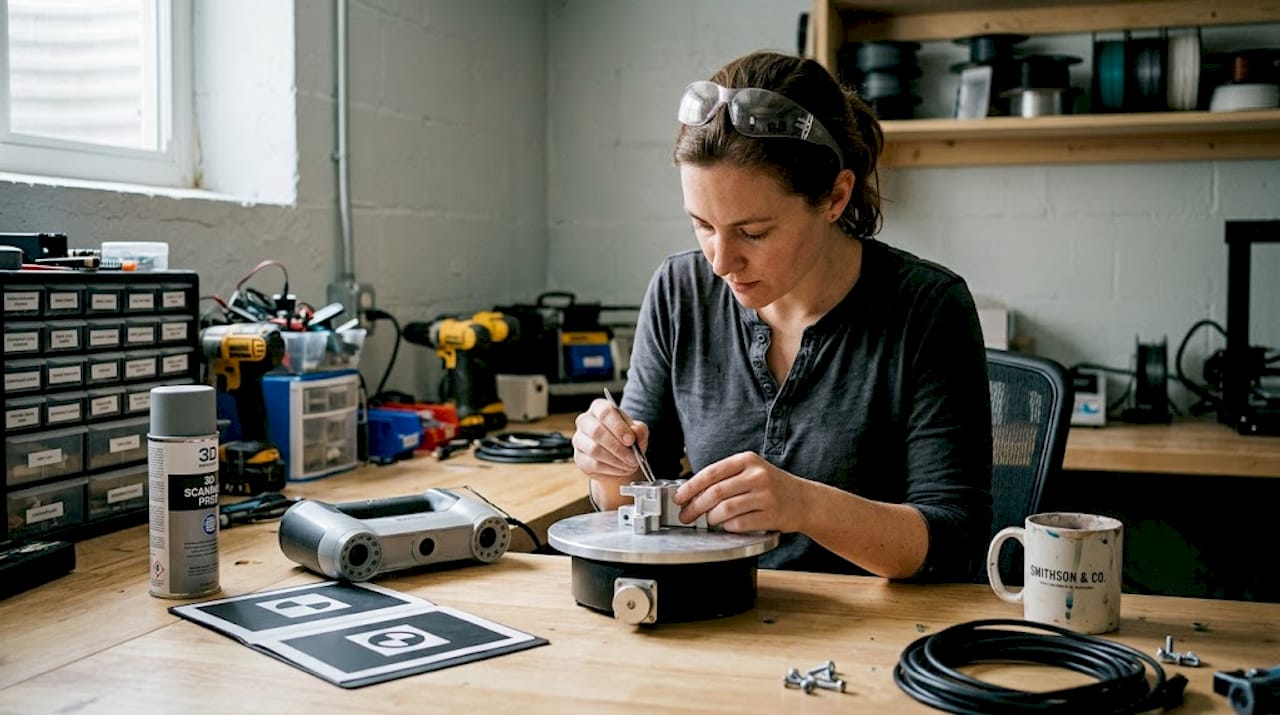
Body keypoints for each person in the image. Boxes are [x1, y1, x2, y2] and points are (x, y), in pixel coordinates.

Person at [572, 50, 992, 582]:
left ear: (835, 196)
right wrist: (611, 467)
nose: (720, 262)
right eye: (702, 225)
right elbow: (631, 496)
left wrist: (805, 505)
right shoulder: (680, 291)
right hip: (715, 604)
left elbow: (955, 539)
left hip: (869, 620)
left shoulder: (928, 307)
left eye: (753, 233)